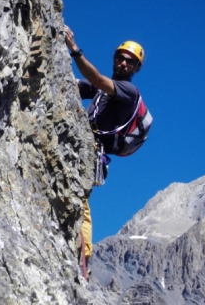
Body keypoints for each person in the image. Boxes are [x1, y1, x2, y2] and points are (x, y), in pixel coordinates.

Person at [64, 24, 145, 266]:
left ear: (135, 68)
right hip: (85, 148)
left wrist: (74, 49)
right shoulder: (105, 91)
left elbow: (95, 79)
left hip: (91, 152)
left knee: (82, 207)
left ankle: (83, 259)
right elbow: (78, 84)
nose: (123, 64)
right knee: (80, 202)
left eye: (129, 62)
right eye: (120, 58)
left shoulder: (127, 91)